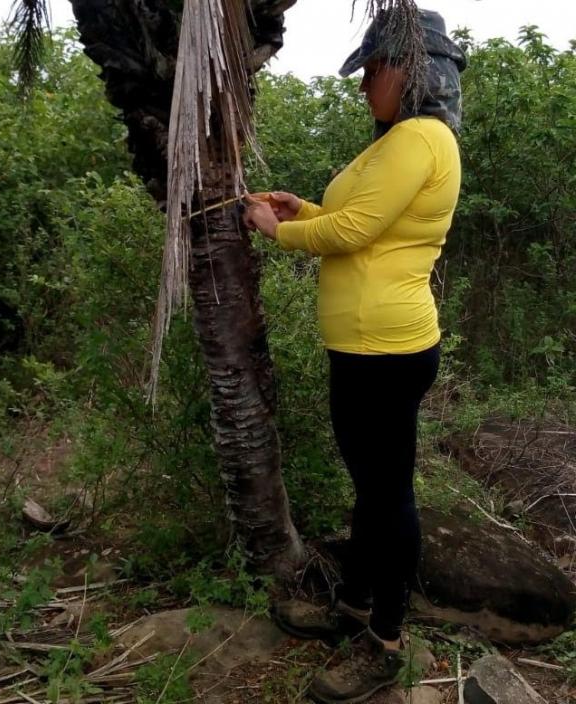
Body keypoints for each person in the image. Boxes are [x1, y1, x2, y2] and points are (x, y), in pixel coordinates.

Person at [244, 8, 467, 704]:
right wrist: (301, 207)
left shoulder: (422, 138)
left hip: (385, 349)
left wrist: (275, 231)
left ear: (416, 72)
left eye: (376, 67)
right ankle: (359, 605)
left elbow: (357, 230)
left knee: (387, 492)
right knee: (372, 489)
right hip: (365, 347)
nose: (366, 81)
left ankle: (387, 640)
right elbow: (363, 224)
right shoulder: (398, 141)